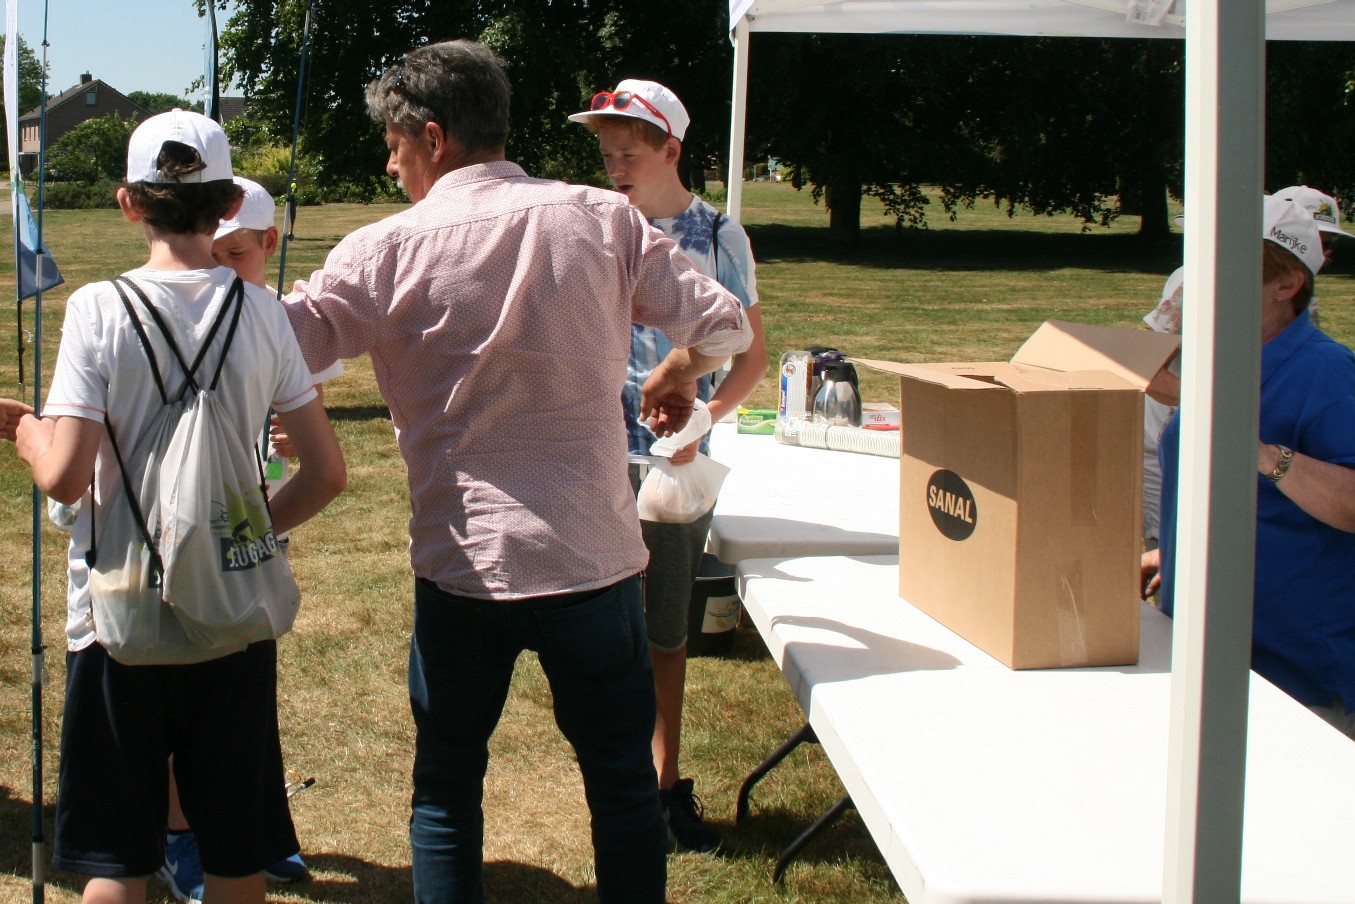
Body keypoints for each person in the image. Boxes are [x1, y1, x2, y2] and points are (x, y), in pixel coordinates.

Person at [279, 40, 752, 903]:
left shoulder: (382, 250)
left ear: (432, 138)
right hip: (592, 559)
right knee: (621, 783)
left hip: (466, 567)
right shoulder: (602, 219)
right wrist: (681, 368)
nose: (390, 165)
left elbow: (277, 347)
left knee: (447, 786)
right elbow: (727, 328)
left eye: (393, 146)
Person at [7, 109, 346, 904]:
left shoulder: (97, 309)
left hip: (114, 618)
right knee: (236, 858)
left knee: (116, 862)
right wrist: (243, 535)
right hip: (233, 616)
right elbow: (327, 473)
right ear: (227, 206)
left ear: (128, 203)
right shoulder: (264, 314)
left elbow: (64, 477)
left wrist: (25, 431)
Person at [569, 78, 768, 852]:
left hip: (675, 469)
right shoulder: (595, 227)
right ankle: (618, 781)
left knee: (664, 631)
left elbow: (749, 353)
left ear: (671, 150)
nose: (614, 168)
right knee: (600, 630)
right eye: (606, 156)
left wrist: (703, 421)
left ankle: (663, 782)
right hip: (595, 455)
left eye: (628, 154)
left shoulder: (717, 235)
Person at [154, 176, 322, 904]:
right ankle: (179, 834)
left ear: (269, 245)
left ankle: (257, 828)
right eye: (212, 252)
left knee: (245, 691)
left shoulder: (270, 319)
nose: (221, 268)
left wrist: (281, 463)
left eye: (238, 255)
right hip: (177, 537)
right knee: (177, 690)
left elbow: (306, 448)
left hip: (251, 539)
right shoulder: (172, 312)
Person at [1142, 194, 1355, 738]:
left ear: (1287, 284)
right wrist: (1175, 551)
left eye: (1225, 265)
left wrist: (1260, 453)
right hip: (1206, 655)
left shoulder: (1326, 372)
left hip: (1296, 674)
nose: (1199, 283)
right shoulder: (1221, 365)